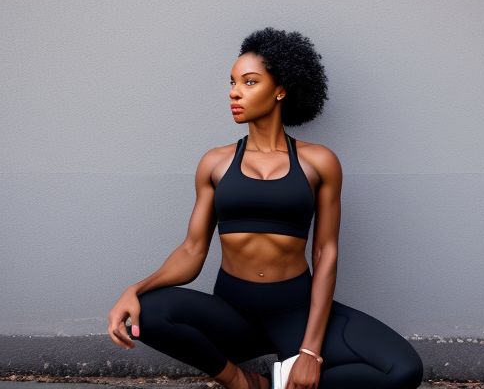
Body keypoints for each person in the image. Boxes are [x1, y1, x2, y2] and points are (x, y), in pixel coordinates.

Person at [107, 27, 424, 389]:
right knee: (146, 311)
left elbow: (325, 253)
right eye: (232, 82)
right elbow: (192, 250)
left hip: (296, 312)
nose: (234, 92)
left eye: (249, 82)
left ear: (280, 90)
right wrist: (136, 287)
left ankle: (275, 383)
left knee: (403, 370)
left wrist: (310, 352)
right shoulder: (216, 163)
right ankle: (241, 382)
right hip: (232, 313)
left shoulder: (318, 162)